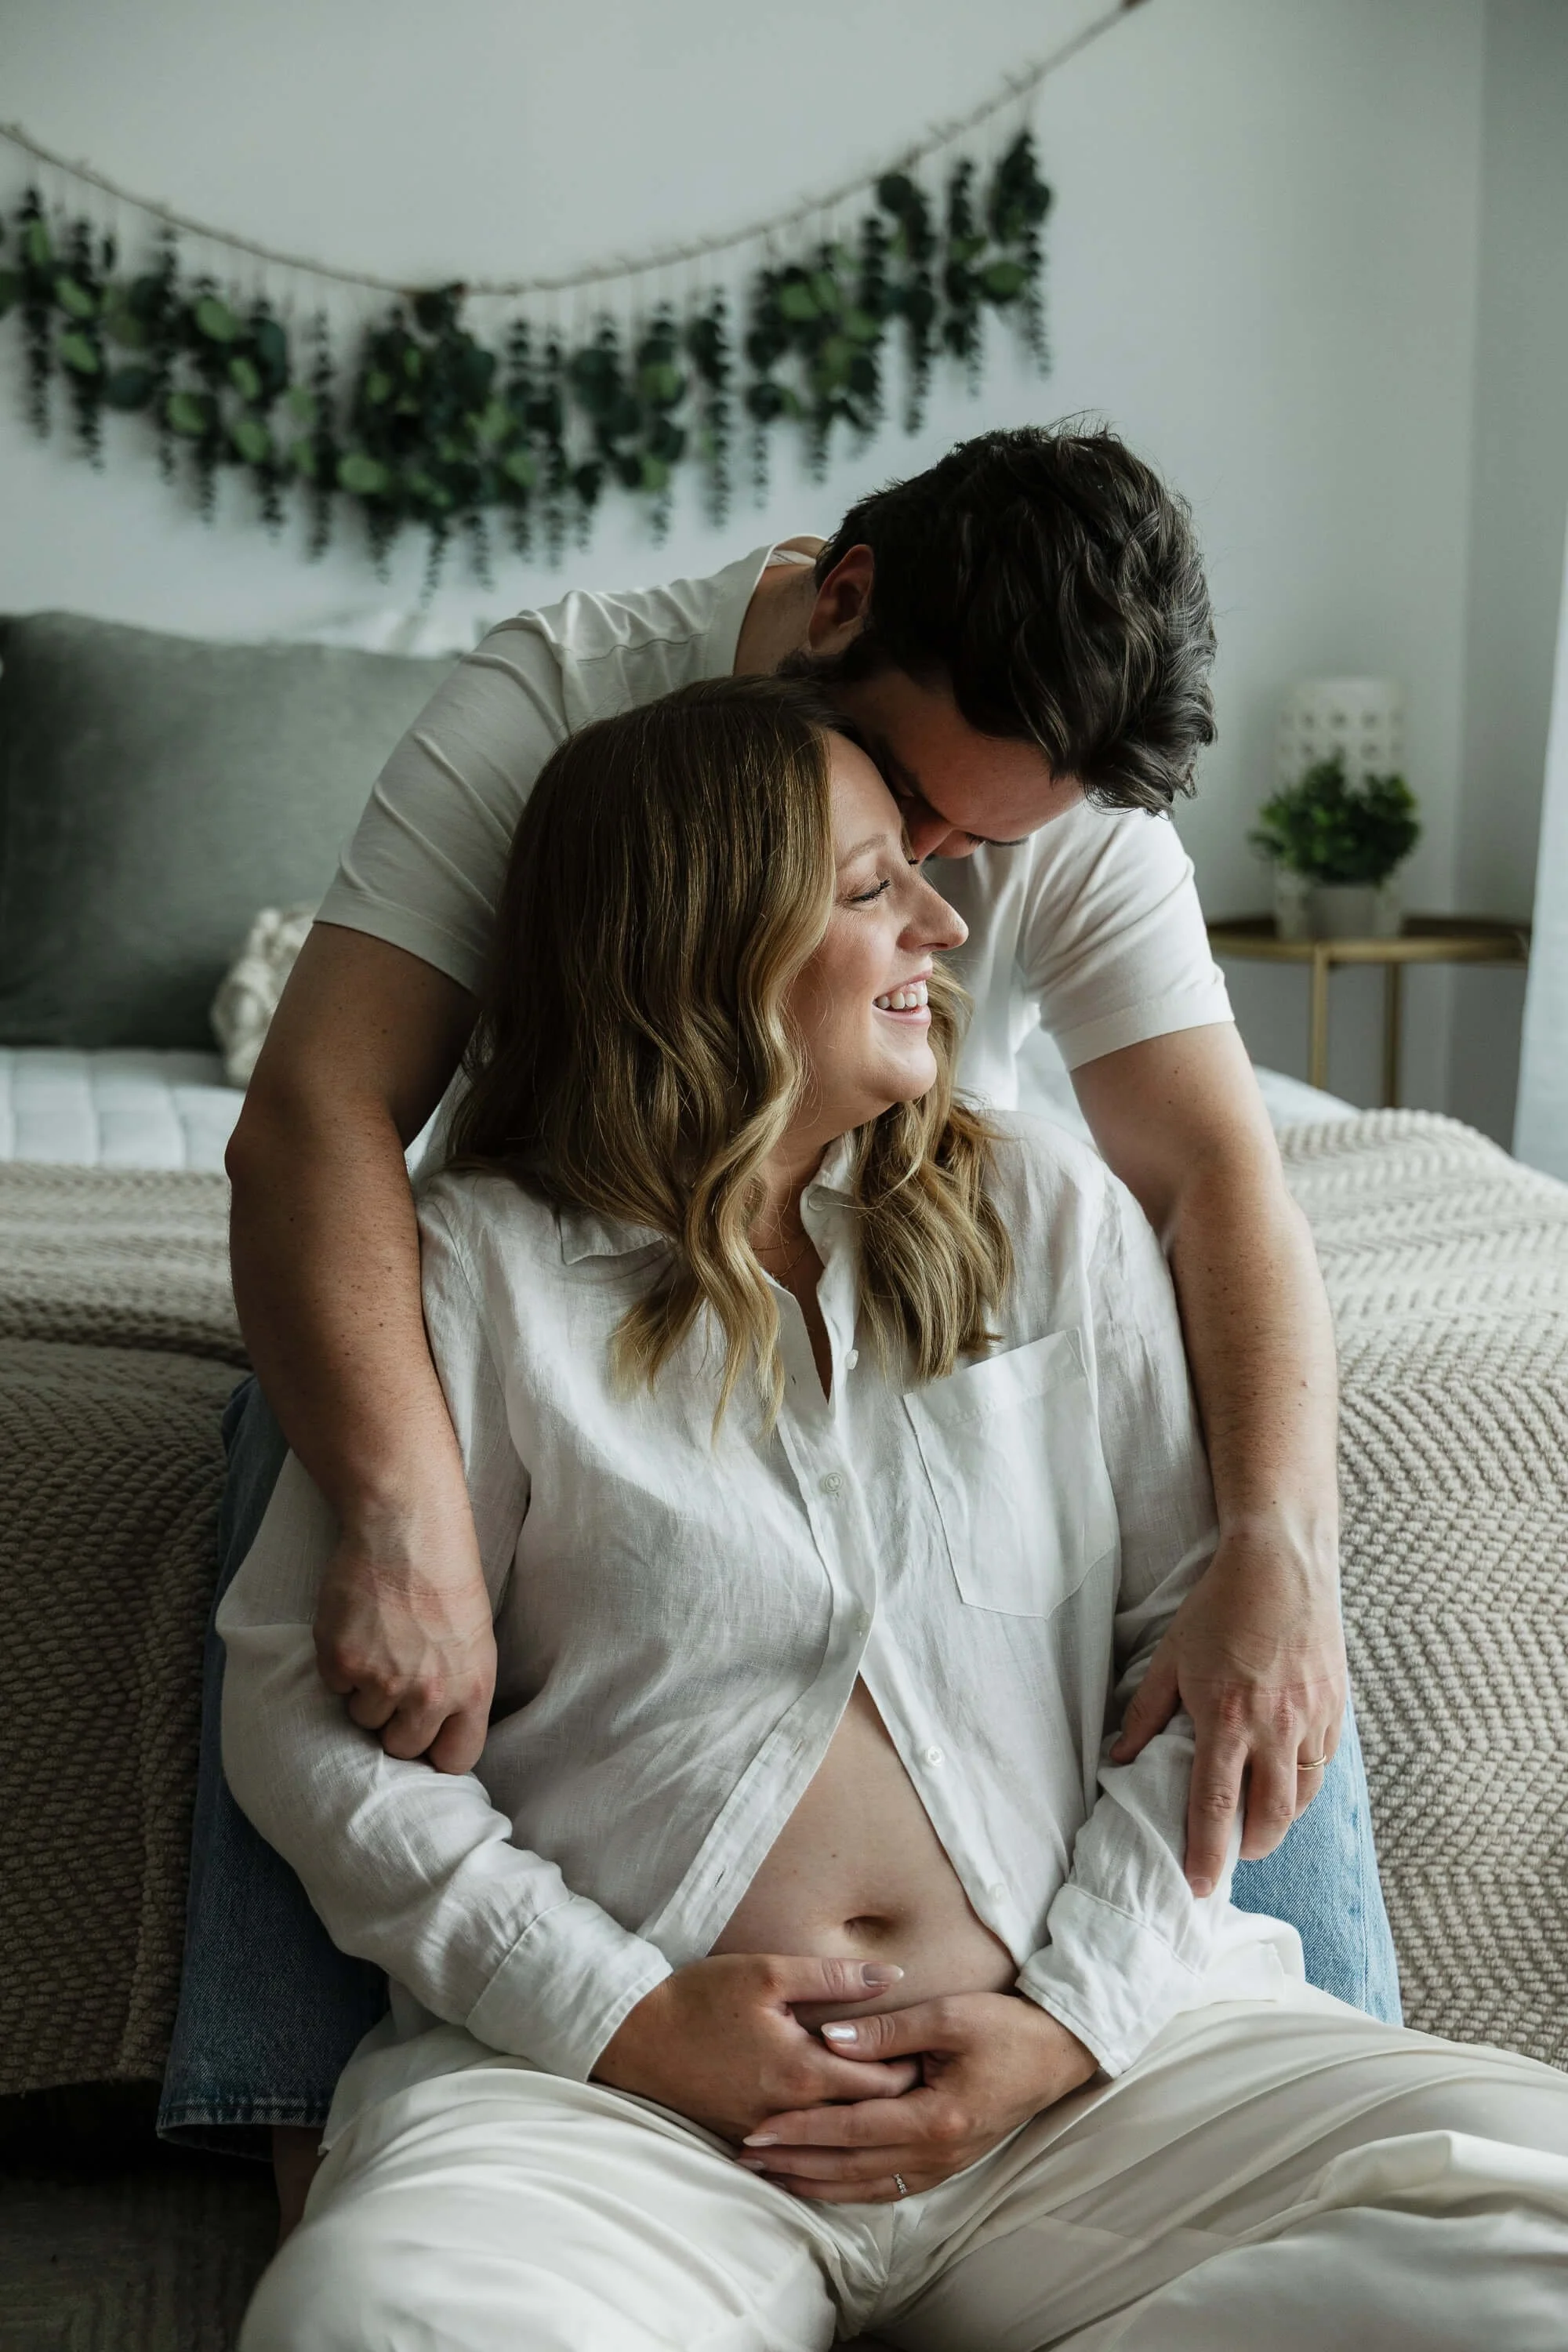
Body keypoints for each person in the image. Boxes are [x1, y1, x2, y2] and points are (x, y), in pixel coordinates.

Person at [225, 681, 1568, 2351]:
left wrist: (1070, 2018)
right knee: (364, 2321)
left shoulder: (1049, 1211)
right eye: (872, 889)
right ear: (696, 942)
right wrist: (621, 2012)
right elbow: (305, 1728)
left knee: (1539, 2207)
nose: (944, 919)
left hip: (1099, 2083)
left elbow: (1193, 1659)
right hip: (621, 2113)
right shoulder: (474, 1270)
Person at [158, 426, 1396, 2217]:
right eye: (902, 820)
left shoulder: (1042, 809)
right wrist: (413, 1512)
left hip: (900, 1230)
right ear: (842, 599)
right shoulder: (557, 699)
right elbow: (316, 1118)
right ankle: (320, 2106)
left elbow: (1214, 1177)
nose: (952, 885)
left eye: (990, 842)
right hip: (589, 1229)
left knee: (1251, 1554)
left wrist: (1283, 1543)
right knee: (331, 1425)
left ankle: (1274, 2074)